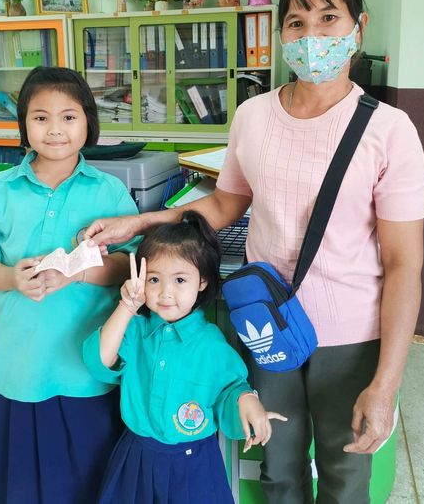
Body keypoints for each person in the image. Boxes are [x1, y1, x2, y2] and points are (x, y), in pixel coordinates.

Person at [84, 0, 424, 503]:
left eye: (329, 18)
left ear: (359, 27)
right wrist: (141, 221)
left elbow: (405, 263)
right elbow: (225, 204)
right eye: (296, 23)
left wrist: (386, 383)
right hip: (266, 324)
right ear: (280, 33)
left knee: (344, 476)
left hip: (350, 334)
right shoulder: (253, 116)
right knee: (278, 467)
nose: (311, 37)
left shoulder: (390, 130)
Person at [0, 66, 139, 504]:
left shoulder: (110, 192)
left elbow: (131, 266)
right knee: (20, 486)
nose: (55, 129)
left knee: (89, 483)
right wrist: (12, 278)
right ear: (23, 123)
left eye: (69, 117)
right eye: (40, 117)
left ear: (88, 122)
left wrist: (77, 273)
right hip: (19, 368)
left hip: (88, 369)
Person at [83, 210, 286, 504]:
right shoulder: (135, 329)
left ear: (202, 281)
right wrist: (126, 307)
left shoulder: (211, 343)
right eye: (154, 279)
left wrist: (247, 401)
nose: (165, 293)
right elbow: (99, 361)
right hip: (136, 459)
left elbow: (231, 390)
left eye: (180, 279)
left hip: (194, 467)